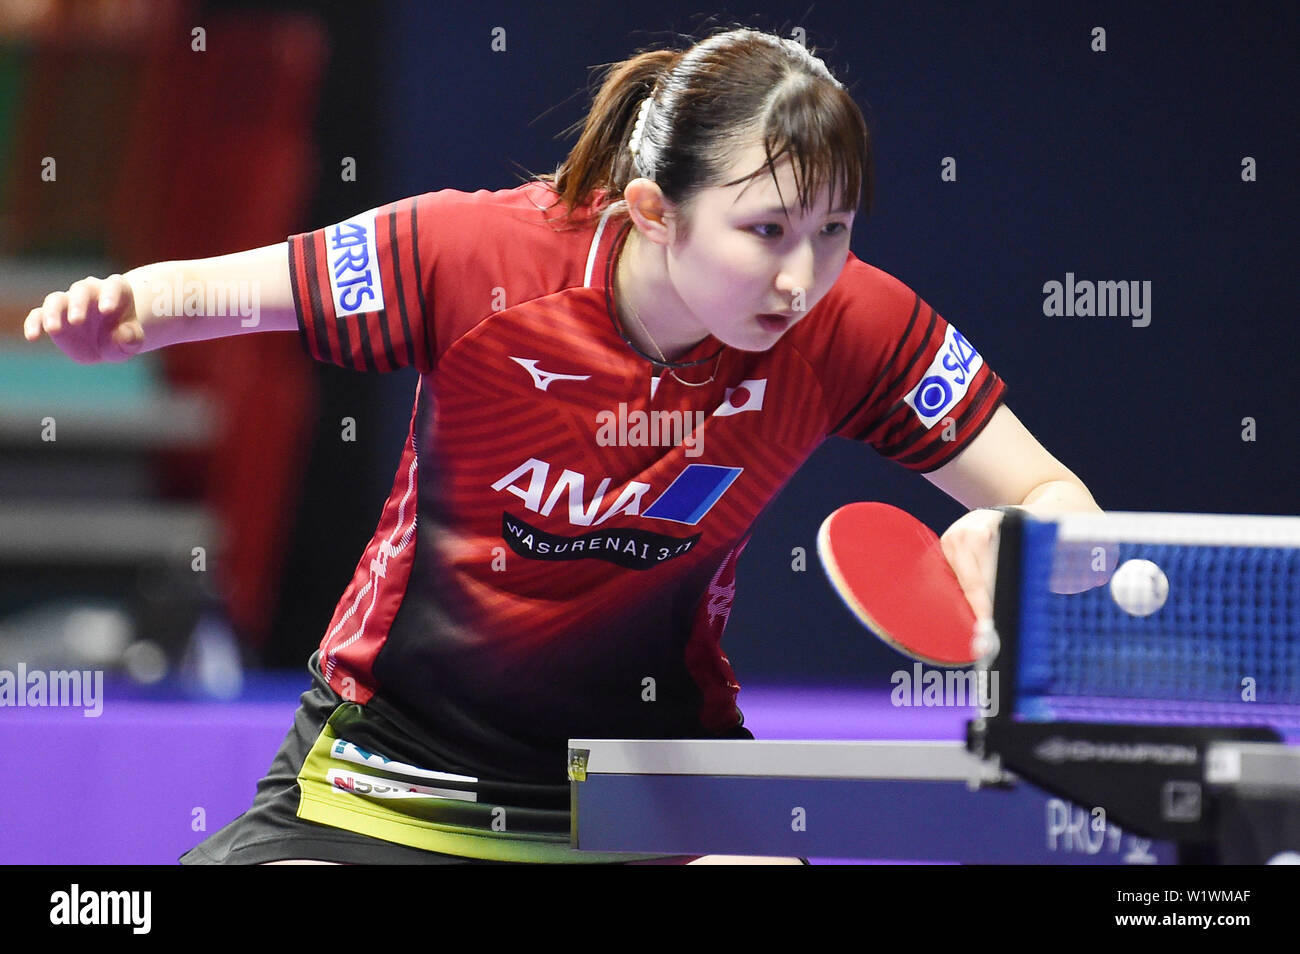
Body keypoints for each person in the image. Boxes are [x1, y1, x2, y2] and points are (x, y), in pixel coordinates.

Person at [24, 27, 1102, 864]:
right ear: (654, 210)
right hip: (392, 769)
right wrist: (121, 314)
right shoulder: (477, 257)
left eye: (835, 230)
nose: (800, 276)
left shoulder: (852, 323)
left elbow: (1058, 500)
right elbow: (236, 289)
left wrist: (1024, 548)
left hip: (656, 780)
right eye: (766, 230)